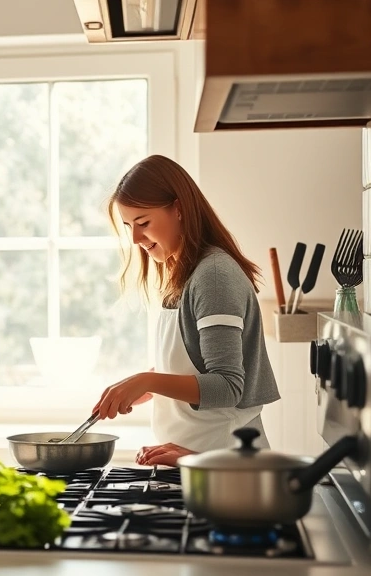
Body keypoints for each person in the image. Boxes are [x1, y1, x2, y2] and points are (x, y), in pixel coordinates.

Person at [92, 155, 280, 467]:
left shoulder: (214, 277)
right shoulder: (187, 273)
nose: (135, 239)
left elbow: (228, 386)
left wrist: (146, 381)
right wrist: (144, 387)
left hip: (229, 467)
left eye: (143, 223)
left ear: (178, 209)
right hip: (201, 462)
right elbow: (198, 364)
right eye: (129, 226)